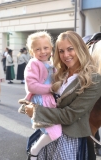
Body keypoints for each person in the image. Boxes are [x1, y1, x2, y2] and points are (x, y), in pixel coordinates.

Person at [19, 31, 101, 160]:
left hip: (70, 139)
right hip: (48, 133)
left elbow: (70, 115)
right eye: (61, 51)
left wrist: (36, 111)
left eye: (70, 49)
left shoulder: (94, 80)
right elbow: (37, 89)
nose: (66, 55)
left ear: (80, 49)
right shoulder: (58, 73)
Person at [18, 31, 62, 160]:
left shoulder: (51, 63)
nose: (43, 51)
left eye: (46, 48)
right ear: (32, 52)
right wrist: (52, 88)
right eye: (38, 49)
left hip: (50, 101)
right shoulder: (33, 64)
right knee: (55, 132)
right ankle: (34, 150)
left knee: (50, 131)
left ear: (51, 48)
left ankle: (40, 152)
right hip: (41, 102)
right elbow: (31, 86)